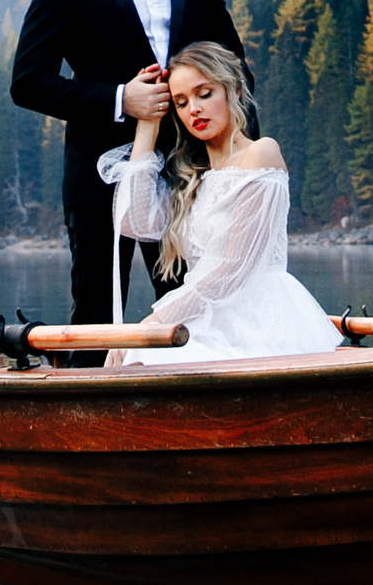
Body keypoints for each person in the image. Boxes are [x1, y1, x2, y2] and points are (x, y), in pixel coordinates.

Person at [9, 0, 251, 339]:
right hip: (103, 183)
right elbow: (28, 83)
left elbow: (233, 65)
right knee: (97, 323)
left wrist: (238, 155)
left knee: (200, 319)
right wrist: (122, 99)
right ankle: (93, 416)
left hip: (193, 175)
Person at [106, 40, 340, 363]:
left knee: (143, 356)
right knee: (135, 357)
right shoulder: (196, 181)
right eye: (181, 102)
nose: (194, 110)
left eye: (205, 94)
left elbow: (234, 270)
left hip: (257, 322)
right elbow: (137, 220)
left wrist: (155, 321)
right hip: (207, 320)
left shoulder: (260, 154)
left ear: (233, 91)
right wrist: (148, 124)